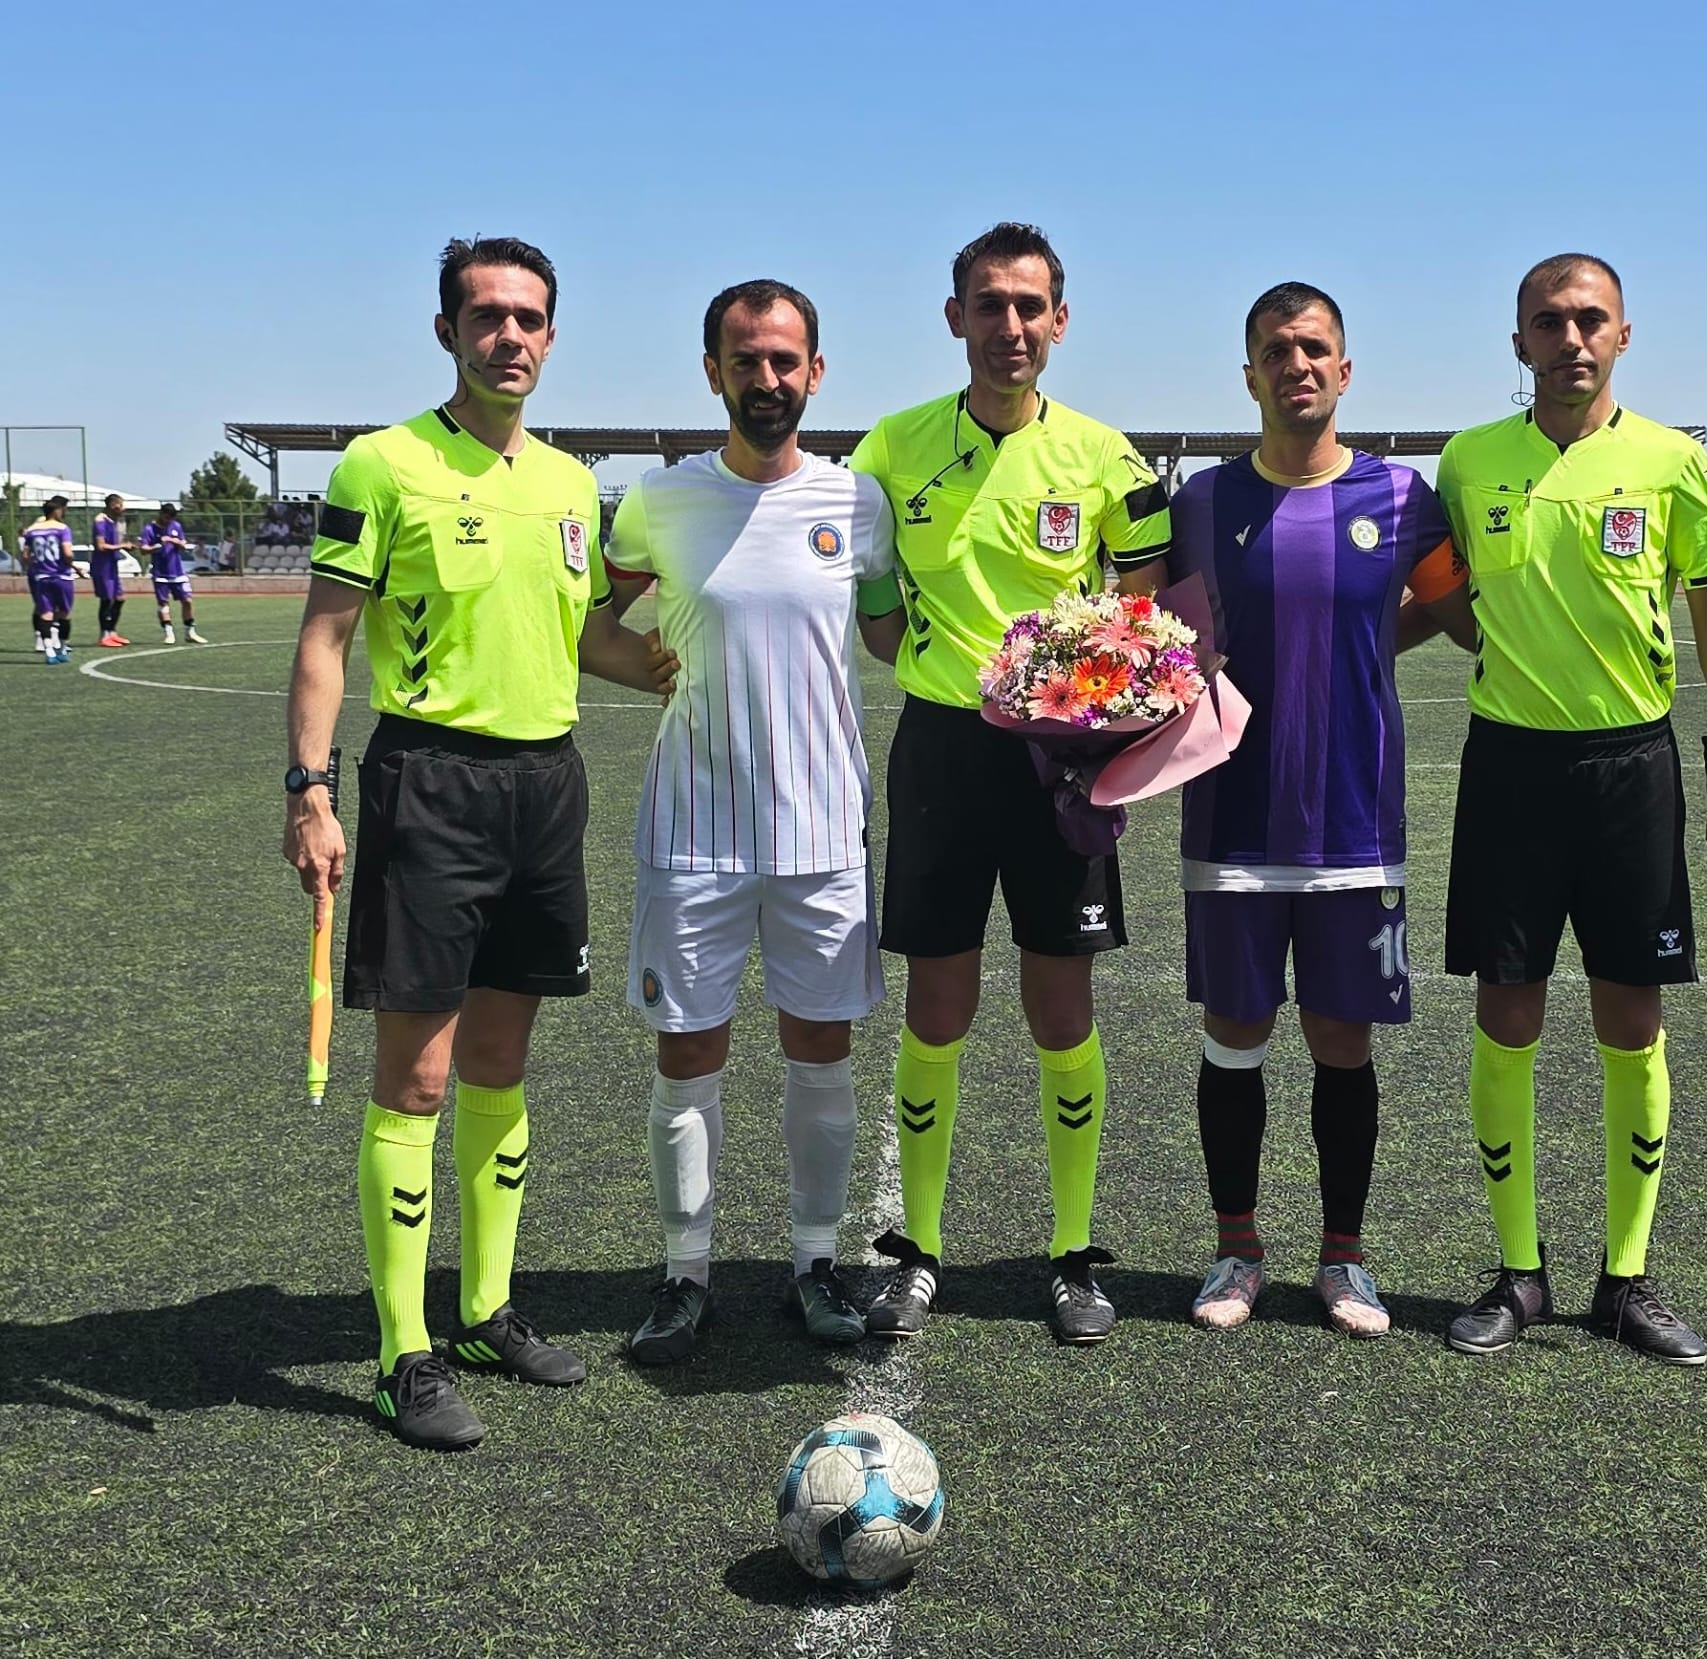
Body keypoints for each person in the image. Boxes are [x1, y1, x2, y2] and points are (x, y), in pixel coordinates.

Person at [282, 235, 674, 1451]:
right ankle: (401, 1352)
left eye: (530, 318)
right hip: (430, 784)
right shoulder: (382, 463)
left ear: (551, 336)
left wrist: (707, 667)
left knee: (503, 1062)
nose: (511, 336)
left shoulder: (567, 483)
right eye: (488, 315)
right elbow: (324, 638)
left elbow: (586, 642)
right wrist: (309, 792)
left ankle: (484, 1311)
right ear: (447, 330)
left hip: (545, 786)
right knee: (418, 1077)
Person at [1121, 284, 1474, 1336]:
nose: (1297, 365)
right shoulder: (1200, 503)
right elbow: (1152, 634)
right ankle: (1234, 1251)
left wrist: (1369, 642)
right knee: (1234, 1031)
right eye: (1276, 350)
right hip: (1233, 816)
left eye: (1314, 348)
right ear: (1249, 376)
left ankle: (1343, 1259)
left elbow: (1458, 614)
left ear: (1345, 369)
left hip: (1355, 820)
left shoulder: (1402, 497)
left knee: (1341, 1038)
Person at [1432, 252, 1707, 1365]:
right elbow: (1444, 598)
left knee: (1632, 1019)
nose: (1569, 338)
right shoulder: (1469, 462)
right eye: (1547, 321)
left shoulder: (1676, 464)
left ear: (1622, 334)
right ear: (1517, 340)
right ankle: (1518, 1273)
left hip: (1631, 770)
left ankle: (1625, 1278)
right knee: (1505, 1014)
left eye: (1588, 319)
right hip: (1508, 771)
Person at [851, 223, 1172, 1345]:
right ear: (956, 318)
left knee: (1060, 1006)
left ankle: (1072, 1253)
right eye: (989, 304)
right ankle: (916, 1250)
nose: (1010, 326)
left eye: (1030, 306)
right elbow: (877, 613)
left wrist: (1085, 711)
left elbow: (1145, 611)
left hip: (1058, 765)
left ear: (1060, 321)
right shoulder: (889, 450)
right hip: (942, 752)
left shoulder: (1108, 459)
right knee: (937, 1005)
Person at [602, 280, 902, 1362]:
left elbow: (891, 637)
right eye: (746, 360)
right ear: (712, 372)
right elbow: (589, 626)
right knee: (687, 1057)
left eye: (784, 361)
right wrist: (646, 669)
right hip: (693, 829)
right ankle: (685, 1275)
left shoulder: (856, 502)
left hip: (822, 832)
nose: (766, 379)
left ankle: (815, 1262)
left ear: (815, 372)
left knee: (821, 1052)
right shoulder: (658, 501)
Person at [21, 495, 75, 663]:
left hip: (42, 577)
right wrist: (70, 563)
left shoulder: (33, 530)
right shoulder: (62, 528)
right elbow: (67, 553)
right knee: (64, 613)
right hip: (61, 576)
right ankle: (62, 648)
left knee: (45, 613)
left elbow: (25, 555)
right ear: (56, 510)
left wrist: (36, 566)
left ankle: (49, 651)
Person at [140, 503, 205, 644]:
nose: (169, 520)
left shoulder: (176, 526)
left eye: (171, 518)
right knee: (163, 603)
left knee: (187, 600)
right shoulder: (149, 529)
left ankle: (190, 632)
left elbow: (183, 544)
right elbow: (143, 549)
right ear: (161, 514)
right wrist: (156, 546)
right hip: (160, 573)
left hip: (177, 572)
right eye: (167, 517)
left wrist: (175, 542)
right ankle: (169, 633)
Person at [91, 494, 134, 647]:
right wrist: (122, 546)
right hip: (102, 566)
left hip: (112, 565)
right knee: (106, 600)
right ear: (113, 505)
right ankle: (104, 635)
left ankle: (112, 632)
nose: (122, 508)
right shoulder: (100, 521)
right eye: (120, 505)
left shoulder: (112, 521)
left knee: (119, 598)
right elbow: (101, 546)